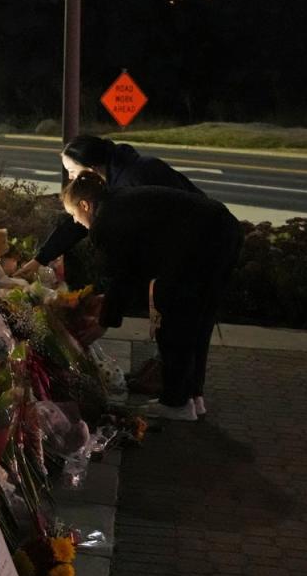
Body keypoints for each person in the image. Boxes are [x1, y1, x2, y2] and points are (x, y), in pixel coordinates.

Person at [16, 135, 205, 395]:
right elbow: (77, 222)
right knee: (176, 319)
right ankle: (180, 388)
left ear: (91, 168)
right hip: (191, 246)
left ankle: (181, 394)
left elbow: (128, 262)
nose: (71, 179)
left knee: (183, 320)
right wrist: (41, 258)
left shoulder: (130, 182)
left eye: (72, 171)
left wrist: (107, 318)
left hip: (199, 247)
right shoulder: (112, 185)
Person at [61, 171, 242, 421]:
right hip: (223, 229)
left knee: (175, 324)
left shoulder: (105, 222)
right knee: (198, 321)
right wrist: (111, 303)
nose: (76, 221)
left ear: (85, 204)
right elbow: (137, 266)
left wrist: (104, 323)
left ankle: (176, 403)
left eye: (74, 214)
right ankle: (191, 398)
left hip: (200, 245)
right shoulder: (119, 201)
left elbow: (123, 274)